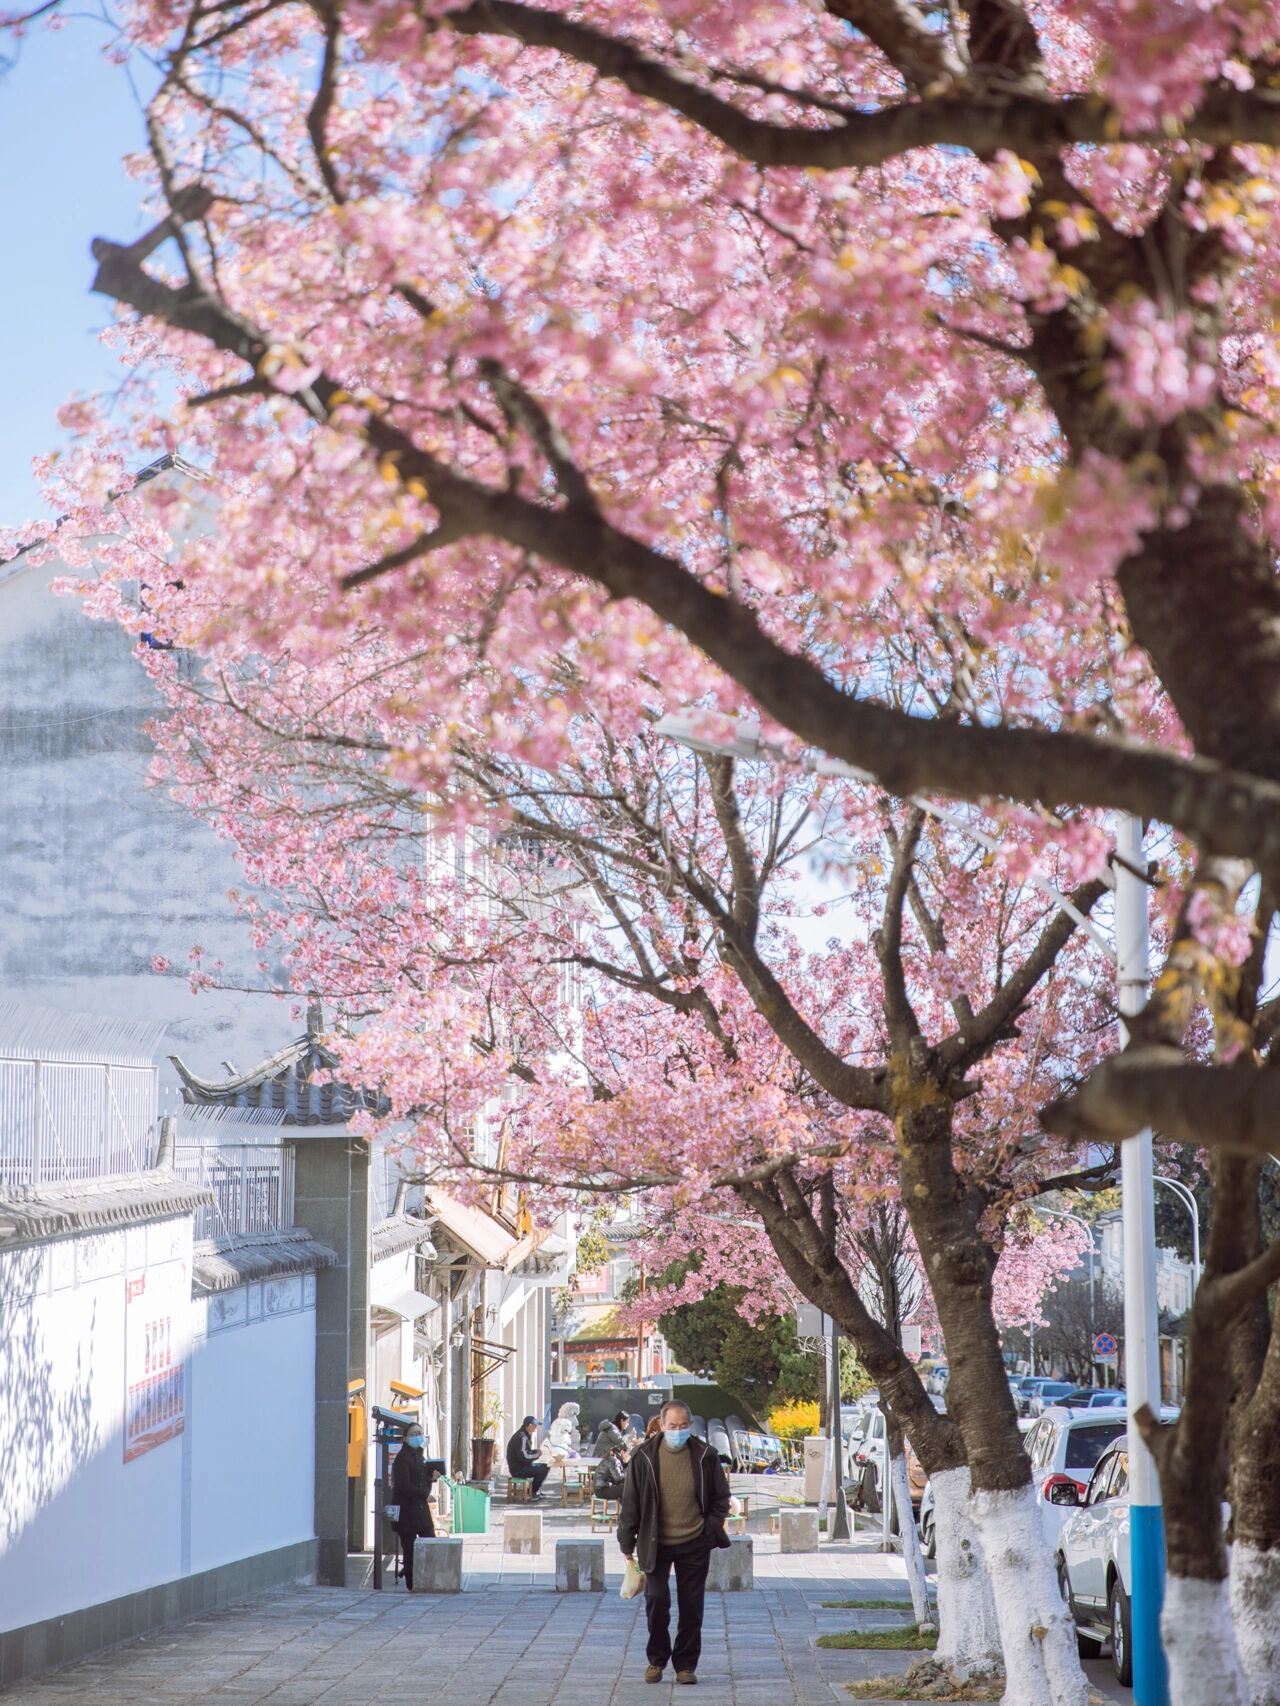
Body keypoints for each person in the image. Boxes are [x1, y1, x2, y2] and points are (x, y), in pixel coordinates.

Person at [618, 1399, 731, 1686]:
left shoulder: (705, 1455)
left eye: (683, 1426)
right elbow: (630, 1502)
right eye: (672, 1426)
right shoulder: (643, 1456)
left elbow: (721, 1498)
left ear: (689, 1426)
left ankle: (686, 1665)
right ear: (661, 1425)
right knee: (656, 1600)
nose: (677, 1431)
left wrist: (710, 1529)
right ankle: (656, 1660)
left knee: (692, 1606)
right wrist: (626, 1543)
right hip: (655, 1541)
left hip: (694, 1540)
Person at [391, 1424, 436, 1590]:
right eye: (414, 1434)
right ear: (405, 1438)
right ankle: (412, 1584)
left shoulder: (420, 1456)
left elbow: (423, 1483)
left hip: (421, 1510)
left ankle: (429, 1580)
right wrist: (424, 1494)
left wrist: (431, 1478)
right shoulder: (402, 1459)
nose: (418, 1436)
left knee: (430, 1542)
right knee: (409, 1550)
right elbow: (404, 1486)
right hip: (407, 1511)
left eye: (420, 1433)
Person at [505, 1414, 550, 1498]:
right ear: (529, 1425)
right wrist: (537, 1454)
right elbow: (523, 1456)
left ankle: (534, 1490)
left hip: (523, 1466)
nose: (536, 1427)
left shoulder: (525, 1435)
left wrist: (536, 1452)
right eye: (535, 1425)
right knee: (542, 1470)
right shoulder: (521, 1437)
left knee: (546, 1466)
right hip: (518, 1469)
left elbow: (526, 1452)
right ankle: (532, 1492)